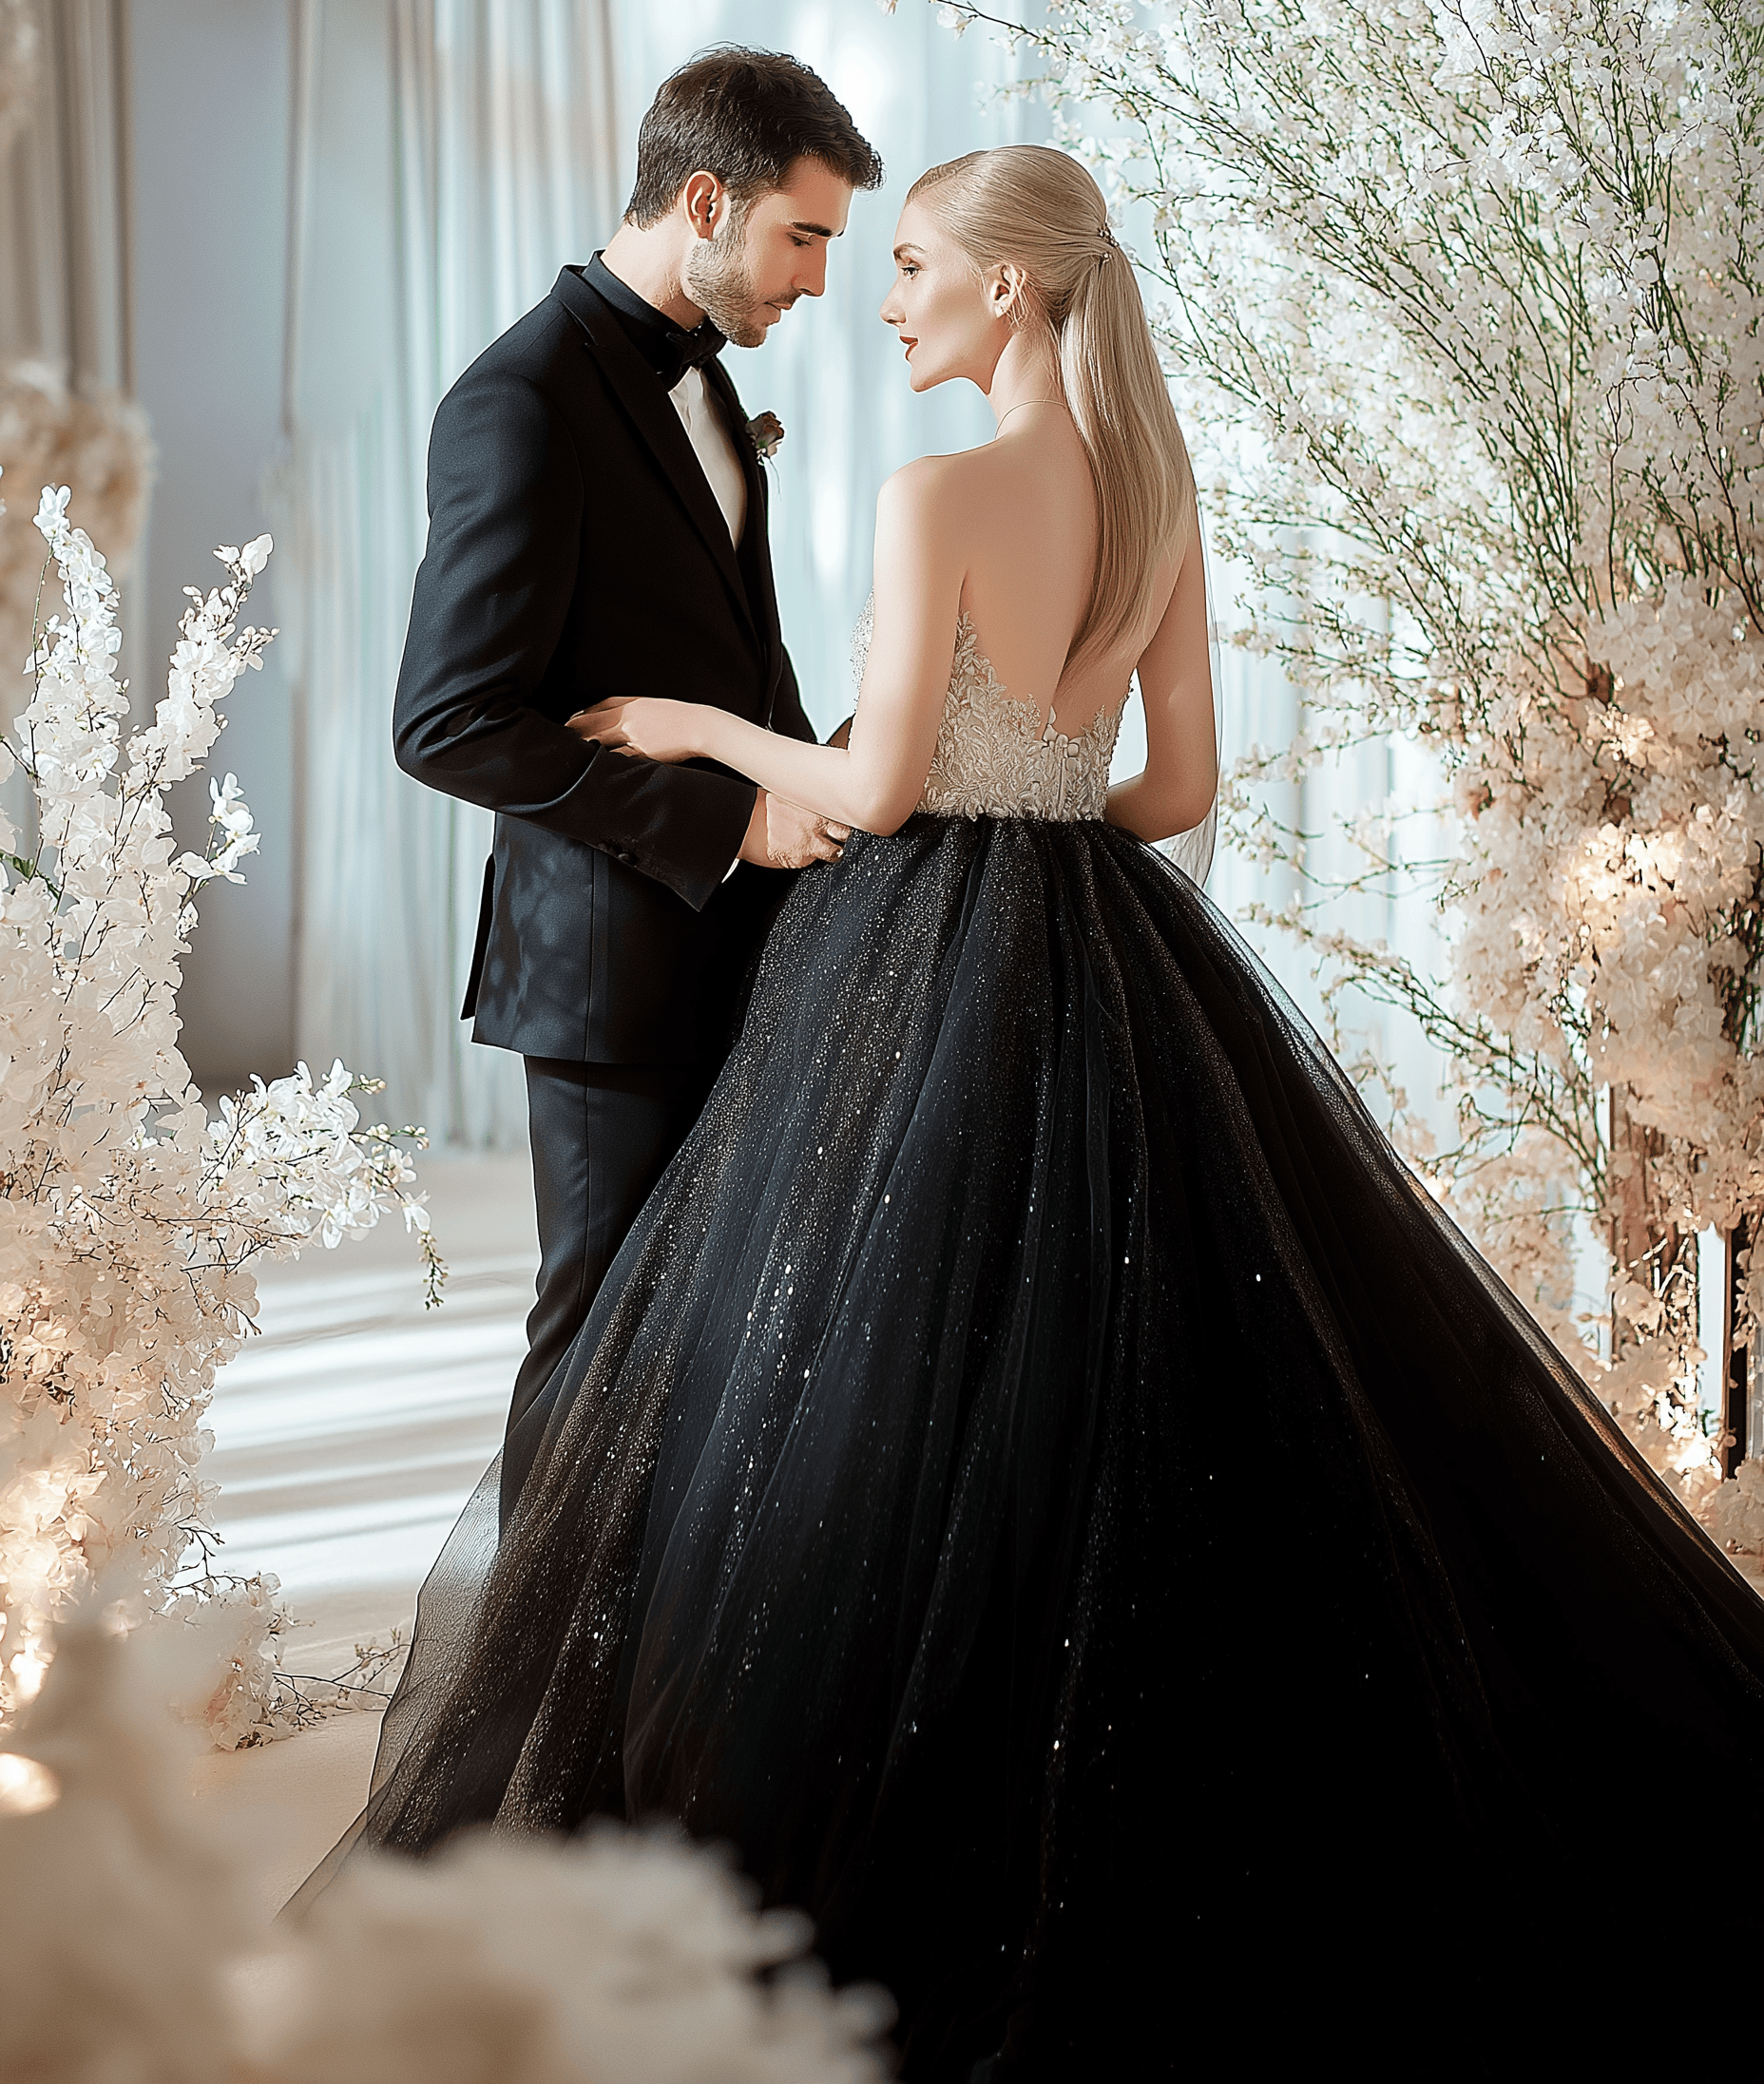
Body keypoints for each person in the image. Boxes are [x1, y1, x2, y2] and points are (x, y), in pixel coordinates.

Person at [322, 146, 1764, 2076]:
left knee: (894, 1384)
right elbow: (1171, 795)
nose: (888, 298)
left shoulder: (940, 494)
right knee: (1141, 1375)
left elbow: (889, 788)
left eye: (911, 264)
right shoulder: (1153, 501)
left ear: (1010, 290)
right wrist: (1038, 807)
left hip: (920, 945)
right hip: (1097, 929)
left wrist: (691, 725)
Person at [392, 48, 882, 1517]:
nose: (811, 282)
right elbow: (451, 721)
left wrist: (826, 791)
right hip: (608, 965)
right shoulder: (522, 401)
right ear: (702, 199)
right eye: (802, 238)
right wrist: (729, 817)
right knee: (599, 1331)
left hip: (750, 933)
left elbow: (737, 653)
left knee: (720, 1325)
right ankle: (535, 1711)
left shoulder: (713, 392)